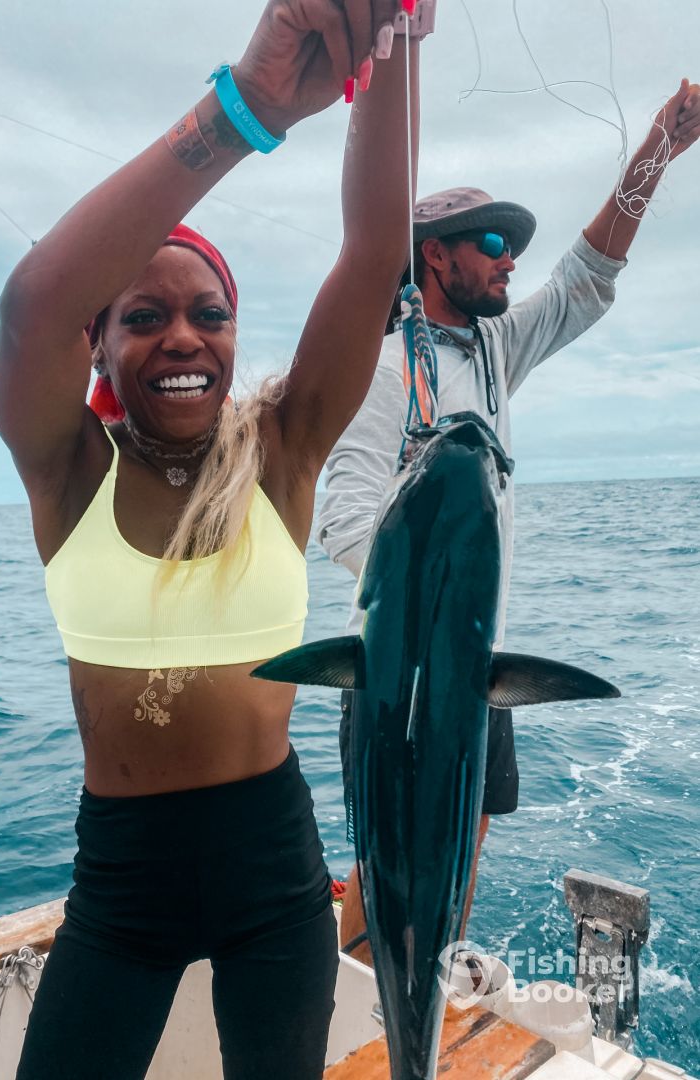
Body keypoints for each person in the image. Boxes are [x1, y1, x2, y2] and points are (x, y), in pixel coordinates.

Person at [0, 3, 422, 1078]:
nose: (182, 337)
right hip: (119, 889)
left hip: (274, 878)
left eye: (209, 315)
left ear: (234, 336)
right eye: (143, 317)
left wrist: (396, 35)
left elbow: (377, 255)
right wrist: (247, 110)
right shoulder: (67, 470)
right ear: (99, 345)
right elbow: (33, 307)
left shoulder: (283, 450)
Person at [318, 78, 700, 966]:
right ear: (433, 256)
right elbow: (339, 517)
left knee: (465, 838)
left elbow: (584, 280)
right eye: (491, 244)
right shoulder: (380, 369)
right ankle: (362, 1012)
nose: (509, 262)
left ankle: (428, 1001)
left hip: (475, 663)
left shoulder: (492, 349)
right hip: (397, 674)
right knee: (387, 859)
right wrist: (429, 591)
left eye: (512, 248)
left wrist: (658, 152)